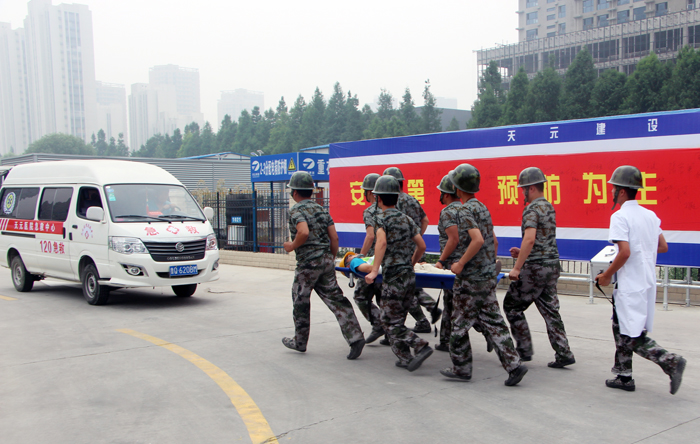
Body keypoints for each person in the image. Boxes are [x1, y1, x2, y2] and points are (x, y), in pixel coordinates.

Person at [596, 165, 686, 394]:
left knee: (631, 334)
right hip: (646, 281)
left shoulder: (620, 216)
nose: (612, 192)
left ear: (623, 191)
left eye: (614, 188)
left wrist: (606, 275)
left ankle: (670, 360)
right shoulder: (650, 216)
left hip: (630, 284)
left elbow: (624, 252)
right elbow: (663, 246)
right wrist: (643, 245)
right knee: (621, 326)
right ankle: (623, 375)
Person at [440, 163, 527, 386]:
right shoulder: (482, 208)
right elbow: (493, 241)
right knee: (494, 322)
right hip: (487, 276)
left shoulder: (465, 210)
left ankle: (461, 368)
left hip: (471, 279)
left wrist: (460, 263)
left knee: (458, 324)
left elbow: (477, 240)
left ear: (457, 188)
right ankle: (514, 365)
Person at [282, 171, 366, 360]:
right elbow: (334, 238)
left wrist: (291, 245)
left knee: (300, 300)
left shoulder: (296, 210)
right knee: (337, 300)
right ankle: (355, 337)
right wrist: (329, 258)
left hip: (307, 263)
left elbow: (302, 232)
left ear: (294, 192)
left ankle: (300, 341)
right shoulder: (321, 210)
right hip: (326, 261)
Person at [503, 167, 576, 368]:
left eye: (523, 189)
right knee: (550, 311)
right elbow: (539, 241)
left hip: (535, 269)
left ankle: (524, 349)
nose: (522, 193)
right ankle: (564, 352)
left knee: (511, 305)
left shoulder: (532, 208)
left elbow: (530, 238)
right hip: (551, 266)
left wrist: (517, 267)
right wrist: (523, 252)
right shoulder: (549, 207)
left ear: (531, 188)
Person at [365, 175, 433, 372]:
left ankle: (420, 345)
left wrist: (374, 270)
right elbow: (421, 245)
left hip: (393, 276)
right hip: (408, 277)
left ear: (378, 198)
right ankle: (404, 358)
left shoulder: (380, 219)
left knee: (388, 321)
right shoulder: (407, 219)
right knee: (398, 319)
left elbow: (381, 243)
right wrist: (410, 263)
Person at [434, 173, 492, 354]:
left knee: (459, 307)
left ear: (446, 194)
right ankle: (445, 340)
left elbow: (453, 239)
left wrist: (441, 260)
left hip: (456, 264)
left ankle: (462, 356)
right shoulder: (473, 208)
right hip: (473, 264)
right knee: (453, 303)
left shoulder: (450, 212)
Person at [383, 167, 440, 333]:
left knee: (398, 288)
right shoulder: (412, 200)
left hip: (395, 251)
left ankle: (396, 329)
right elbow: (425, 220)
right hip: (411, 248)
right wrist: (416, 237)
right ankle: (429, 309)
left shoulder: (390, 201)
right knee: (409, 284)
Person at [351, 173, 385, 344]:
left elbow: (370, 236)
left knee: (360, 296)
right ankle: (391, 330)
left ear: (370, 192)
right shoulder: (392, 209)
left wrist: (361, 256)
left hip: (373, 261)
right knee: (383, 298)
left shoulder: (370, 210)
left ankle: (379, 325)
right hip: (390, 261)